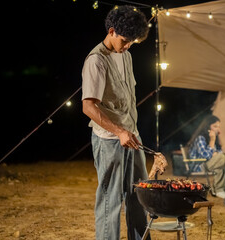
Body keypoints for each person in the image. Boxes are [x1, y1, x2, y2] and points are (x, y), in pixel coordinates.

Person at [81, 6, 152, 240]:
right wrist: (119, 131)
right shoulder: (96, 60)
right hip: (109, 140)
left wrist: (129, 131)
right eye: (125, 40)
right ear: (111, 31)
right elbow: (88, 106)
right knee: (110, 202)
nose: (128, 45)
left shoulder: (127, 55)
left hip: (132, 137)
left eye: (132, 41)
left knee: (139, 196)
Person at [188, 115, 225, 199]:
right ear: (208, 127)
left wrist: (217, 153)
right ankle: (219, 190)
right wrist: (212, 141)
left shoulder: (214, 138)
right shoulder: (200, 138)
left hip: (211, 164)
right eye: (215, 126)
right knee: (221, 159)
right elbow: (205, 156)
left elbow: (219, 153)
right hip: (199, 165)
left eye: (218, 127)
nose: (218, 129)